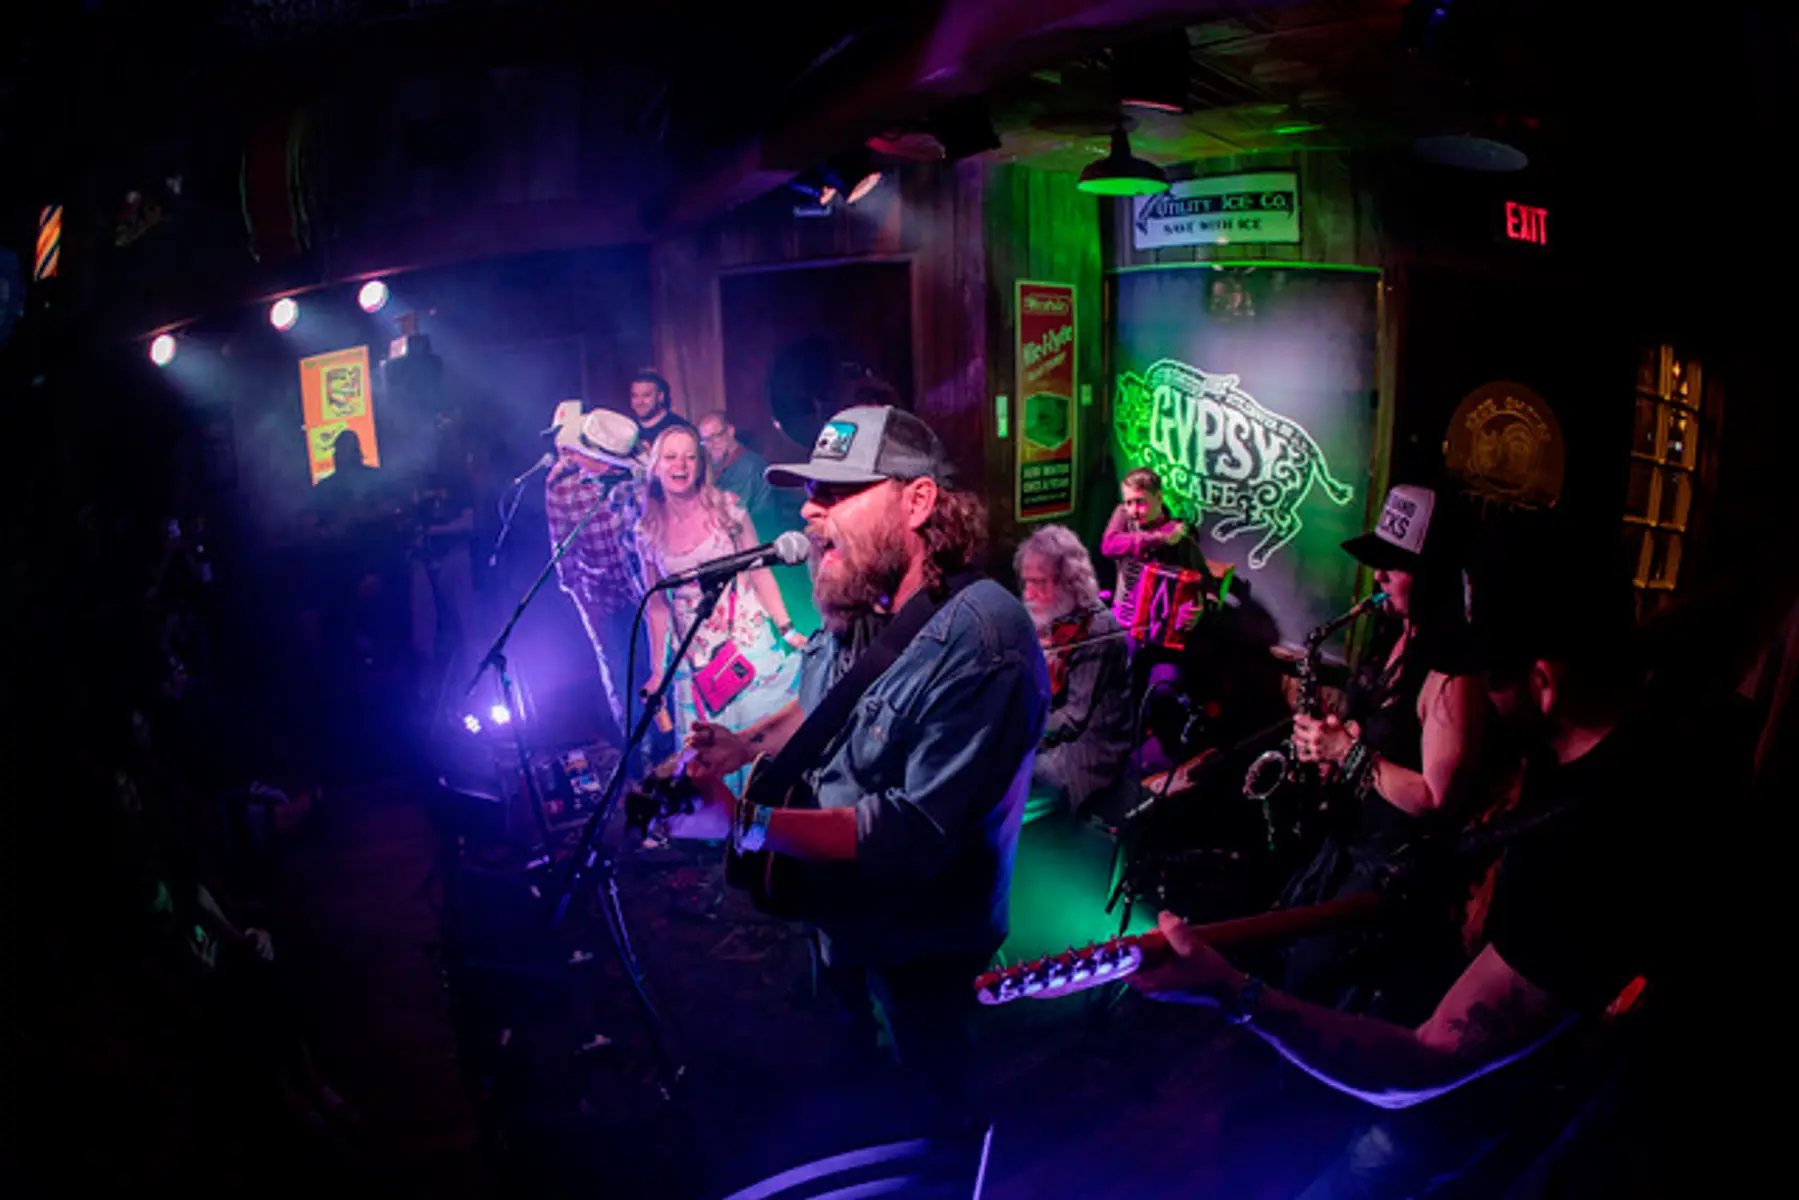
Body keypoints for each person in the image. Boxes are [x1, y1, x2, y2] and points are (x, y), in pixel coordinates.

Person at [1130, 513, 1738, 1197]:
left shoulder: (1591, 847)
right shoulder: (1649, 725)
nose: (1476, 686)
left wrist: (1228, 991)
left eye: (1487, 668)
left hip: (1496, 1113)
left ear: (1544, 681)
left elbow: (1428, 1060)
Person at [676, 405, 1049, 1131]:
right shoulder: (864, 598)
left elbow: (905, 833)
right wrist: (745, 744)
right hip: (839, 911)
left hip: (922, 939)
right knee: (855, 1052)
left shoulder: (983, 637)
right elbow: (823, 708)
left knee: (930, 1092)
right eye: (812, 490)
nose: (811, 510)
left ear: (918, 502)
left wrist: (743, 824)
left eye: (839, 492)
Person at [1276, 483, 1493, 1020]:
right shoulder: (1395, 636)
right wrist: (1329, 742)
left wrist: (1348, 753)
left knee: (1313, 979)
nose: (1379, 577)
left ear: (1433, 573)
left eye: (1393, 566)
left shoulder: (1453, 673)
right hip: (1351, 844)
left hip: (1396, 872)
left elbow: (1437, 799)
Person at [637, 425, 806, 754]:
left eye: (689, 457)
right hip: (695, 652)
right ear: (655, 467)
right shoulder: (647, 529)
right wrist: (657, 671)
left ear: (701, 465)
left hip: (746, 640)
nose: (680, 466)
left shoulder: (727, 507)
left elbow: (761, 572)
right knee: (711, 751)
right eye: (670, 457)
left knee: (758, 741)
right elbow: (656, 605)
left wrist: (786, 628)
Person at [543, 402, 652, 744]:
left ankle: (669, 752)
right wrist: (582, 600)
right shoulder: (560, 483)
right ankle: (636, 760)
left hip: (646, 591)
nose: (565, 450)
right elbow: (562, 548)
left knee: (658, 669)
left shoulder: (638, 473)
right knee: (620, 675)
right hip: (600, 594)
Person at [1016, 525, 1133, 824]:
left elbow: (1072, 718)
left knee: (1009, 784)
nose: (1028, 593)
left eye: (1039, 583)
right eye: (1026, 582)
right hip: (1050, 738)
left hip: (1086, 751)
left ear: (1068, 582)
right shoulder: (1051, 618)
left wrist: (1016, 733)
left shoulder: (1098, 628)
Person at [627, 368, 692, 443]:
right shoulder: (628, 428)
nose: (639, 401)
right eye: (635, 396)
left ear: (660, 396)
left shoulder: (679, 428)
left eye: (646, 395)